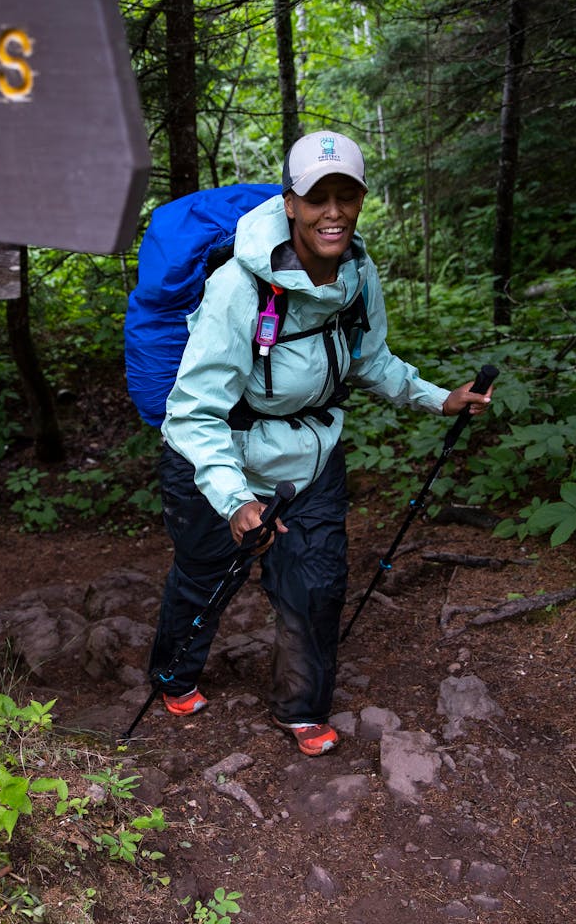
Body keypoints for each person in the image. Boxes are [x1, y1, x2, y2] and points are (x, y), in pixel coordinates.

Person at [146, 130, 492, 756]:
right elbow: (193, 413)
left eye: (347, 195)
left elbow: (370, 359)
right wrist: (232, 501)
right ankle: (174, 674)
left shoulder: (358, 273)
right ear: (290, 203)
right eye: (317, 197)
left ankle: (299, 707)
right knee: (205, 578)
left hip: (310, 455)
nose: (332, 212)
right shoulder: (239, 289)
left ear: (360, 200)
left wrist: (438, 396)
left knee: (318, 581)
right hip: (216, 459)